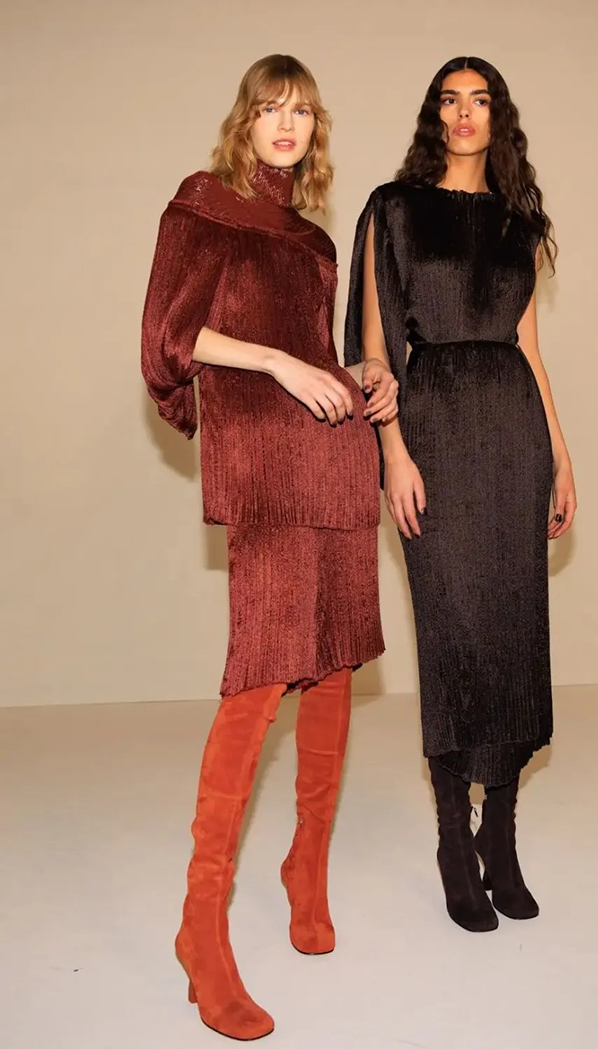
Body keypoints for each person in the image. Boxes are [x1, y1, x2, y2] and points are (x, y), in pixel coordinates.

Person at [142, 54, 397, 1040]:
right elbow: (171, 336)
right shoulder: (201, 207)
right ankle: (200, 925)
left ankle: (306, 866)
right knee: (261, 672)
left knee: (334, 663)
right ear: (243, 121)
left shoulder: (314, 240)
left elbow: (317, 360)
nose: (287, 124)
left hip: (333, 459)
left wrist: (361, 375)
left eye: (302, 111)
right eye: (270, 108)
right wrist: (282, 363)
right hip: (265, 463)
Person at [345, 56, 576, 934]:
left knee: (514, 624)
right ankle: (452, 836)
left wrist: (561, 455)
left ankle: (500, 836)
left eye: (480, 100)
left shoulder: (518, 223)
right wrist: (392, 453)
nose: (465, 113)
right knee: (452, 630)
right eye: (451, 99)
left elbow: (531, 351)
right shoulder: (394, 209)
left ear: (497, 116)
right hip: (432, 428)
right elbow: (374, 349)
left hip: (514, 434)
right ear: (434, 115)